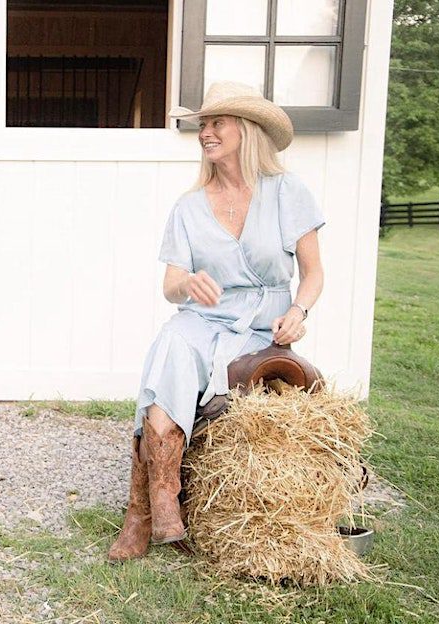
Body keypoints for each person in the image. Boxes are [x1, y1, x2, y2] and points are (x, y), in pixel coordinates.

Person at [107, 82, 325, 561]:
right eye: (202, 124)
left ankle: (140, 512)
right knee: (171, 343)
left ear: (246, 130)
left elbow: (313, 274)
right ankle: (159, 502)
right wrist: (188, 284)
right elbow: (170, 286)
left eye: (217, 123)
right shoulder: (189, 206)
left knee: (182, 364)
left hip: (262, 325)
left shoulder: (287, 192)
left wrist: (298, 312)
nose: (205, 132)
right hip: (204, 318)